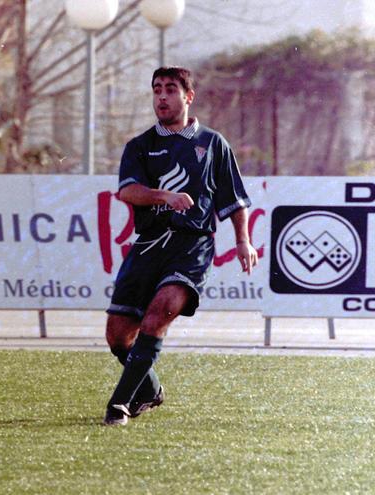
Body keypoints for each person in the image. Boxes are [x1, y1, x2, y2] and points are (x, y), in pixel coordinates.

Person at [103, 66, 258, 426]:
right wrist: (165, 196)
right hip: (148, 245)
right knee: (118, 336)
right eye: (156, 89)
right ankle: (149, 390)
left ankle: (118, 405)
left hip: (192, 246)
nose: (162, 96)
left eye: (170, 89)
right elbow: (128, 191)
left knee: (160, 313)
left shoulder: (213, 144)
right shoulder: (140, 145)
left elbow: (235, 200)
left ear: (188, 97)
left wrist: (243, 241)